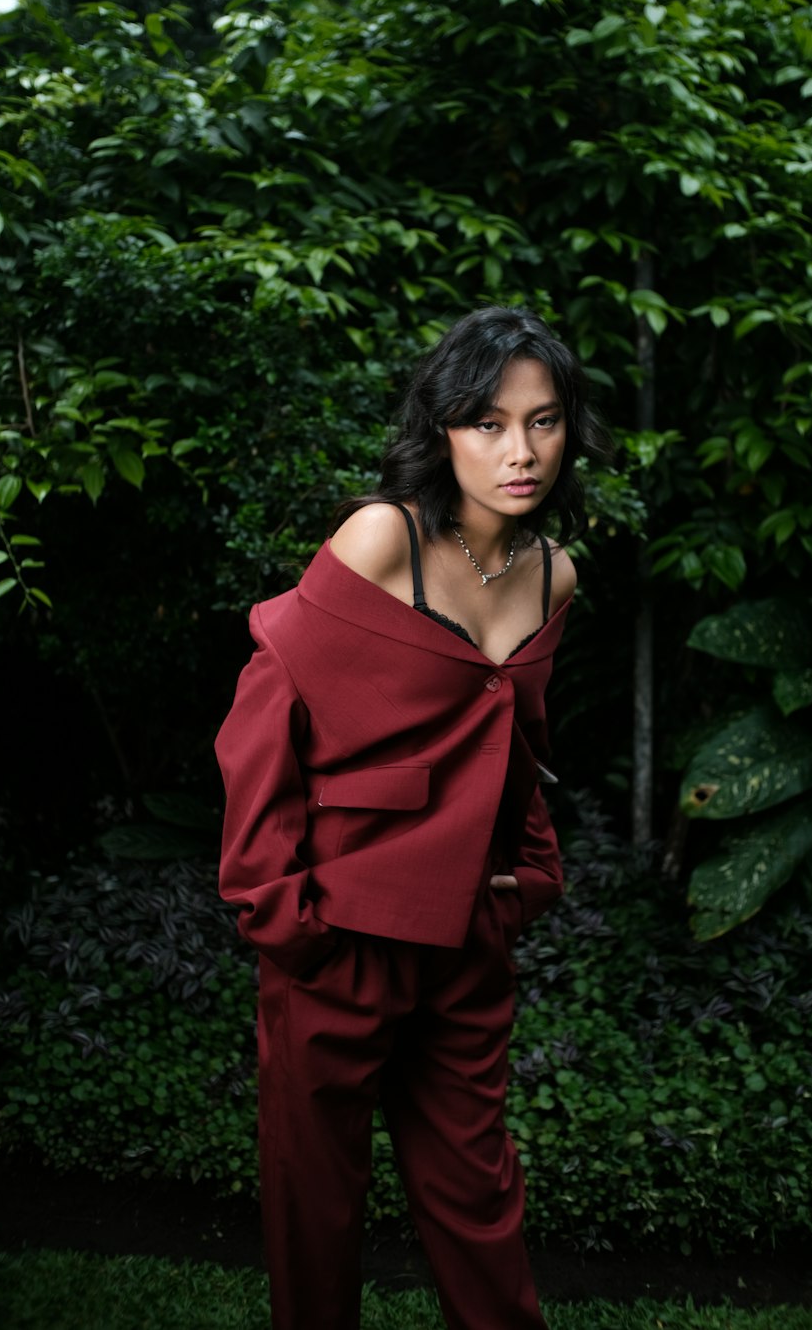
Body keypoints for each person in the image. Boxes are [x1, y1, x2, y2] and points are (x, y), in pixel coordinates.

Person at [215, 304, 612, 1330]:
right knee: (315, 1210)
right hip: (335, 939)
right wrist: (281, 916)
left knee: (479, 1199)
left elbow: (516, 747)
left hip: (468, 943)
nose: (519, 451)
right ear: (441, 427)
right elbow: (267, 717)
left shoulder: (553, 572)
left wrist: (530, 878)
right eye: (487, 421)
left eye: (544, 420)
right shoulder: (381, 537)